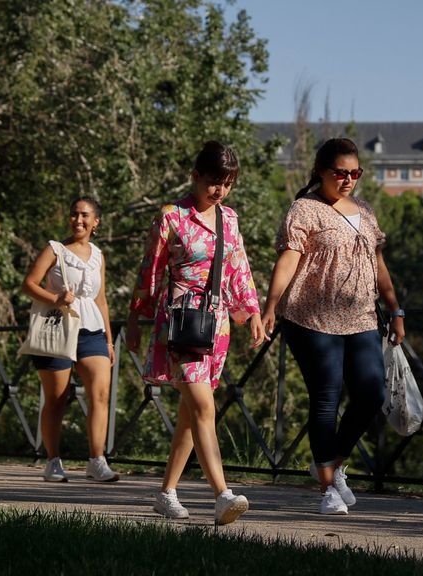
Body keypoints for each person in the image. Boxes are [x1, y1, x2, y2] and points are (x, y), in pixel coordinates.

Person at [261, 137, 406, 515]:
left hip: (360, 316)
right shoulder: (304, 210)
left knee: (372, 393)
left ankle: (332, 462)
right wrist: (271, 304)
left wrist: (395, 309)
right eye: (339, 173)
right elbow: (289, 259)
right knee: (326, 397)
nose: (347, 180)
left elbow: (378, 265)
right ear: (320, 172)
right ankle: (327, 488)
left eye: (354, 173)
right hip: (311, 317)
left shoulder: (366, 211)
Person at [126, 141, 266, 526]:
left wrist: (251, 311)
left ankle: (166, 493)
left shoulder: (229, 219)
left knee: (191, 413)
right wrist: (137, 316)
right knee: (204, 407)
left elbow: (239, 267)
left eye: (227, 183)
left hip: (215, 325)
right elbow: (150, 271)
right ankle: (222, 495)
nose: (219, 190)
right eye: (213, 182)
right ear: (196, 176)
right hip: (180, 321)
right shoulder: (172, 216)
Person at [22, 196, 119, 483]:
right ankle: (53, 461)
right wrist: (55, 297)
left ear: (95, 221)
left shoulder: (98, 255)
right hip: (57, 328)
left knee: (100, 394)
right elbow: (28, 284)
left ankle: (97, 461)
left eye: (85, 215)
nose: (78, 220)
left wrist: (109, 340)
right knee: (57, 399)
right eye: (74, 214)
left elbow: (101, 299)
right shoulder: (55, 250)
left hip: (92, 330)